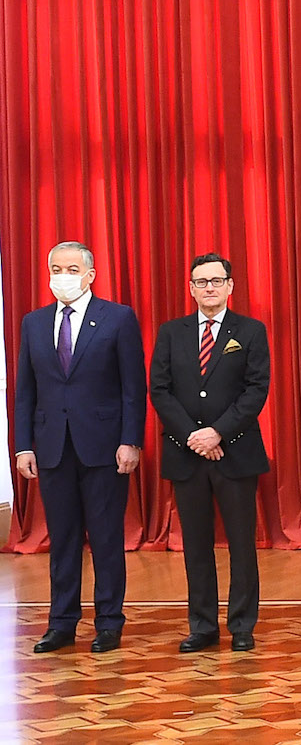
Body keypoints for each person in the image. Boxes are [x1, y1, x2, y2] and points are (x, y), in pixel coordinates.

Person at [15, 241, 146, 654]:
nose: (62, 276)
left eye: (72, 269)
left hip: (105, 448)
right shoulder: (33, 323)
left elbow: (133, 387)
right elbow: (25, 392)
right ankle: (62, 623)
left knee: (107, 538)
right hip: (53, 447)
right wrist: (22, 446)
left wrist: (131, 440)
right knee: (63, 539)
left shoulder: (118, 318)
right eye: (56, 268)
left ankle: (108, 622)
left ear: (90, 275)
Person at [150, 253, 271, 652]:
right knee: (196, 545)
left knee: (240, 543)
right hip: (186, 455)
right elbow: (160, 390)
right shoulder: (171, 332)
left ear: (230, 286)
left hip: (235, 453)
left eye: (217, 280)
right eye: (201, 282)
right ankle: (202, 625)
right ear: (191, 288)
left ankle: (242, 625)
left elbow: (256, 390)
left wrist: (217, 433)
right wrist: (193, 436)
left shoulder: (250, 331)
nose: (209, 288)